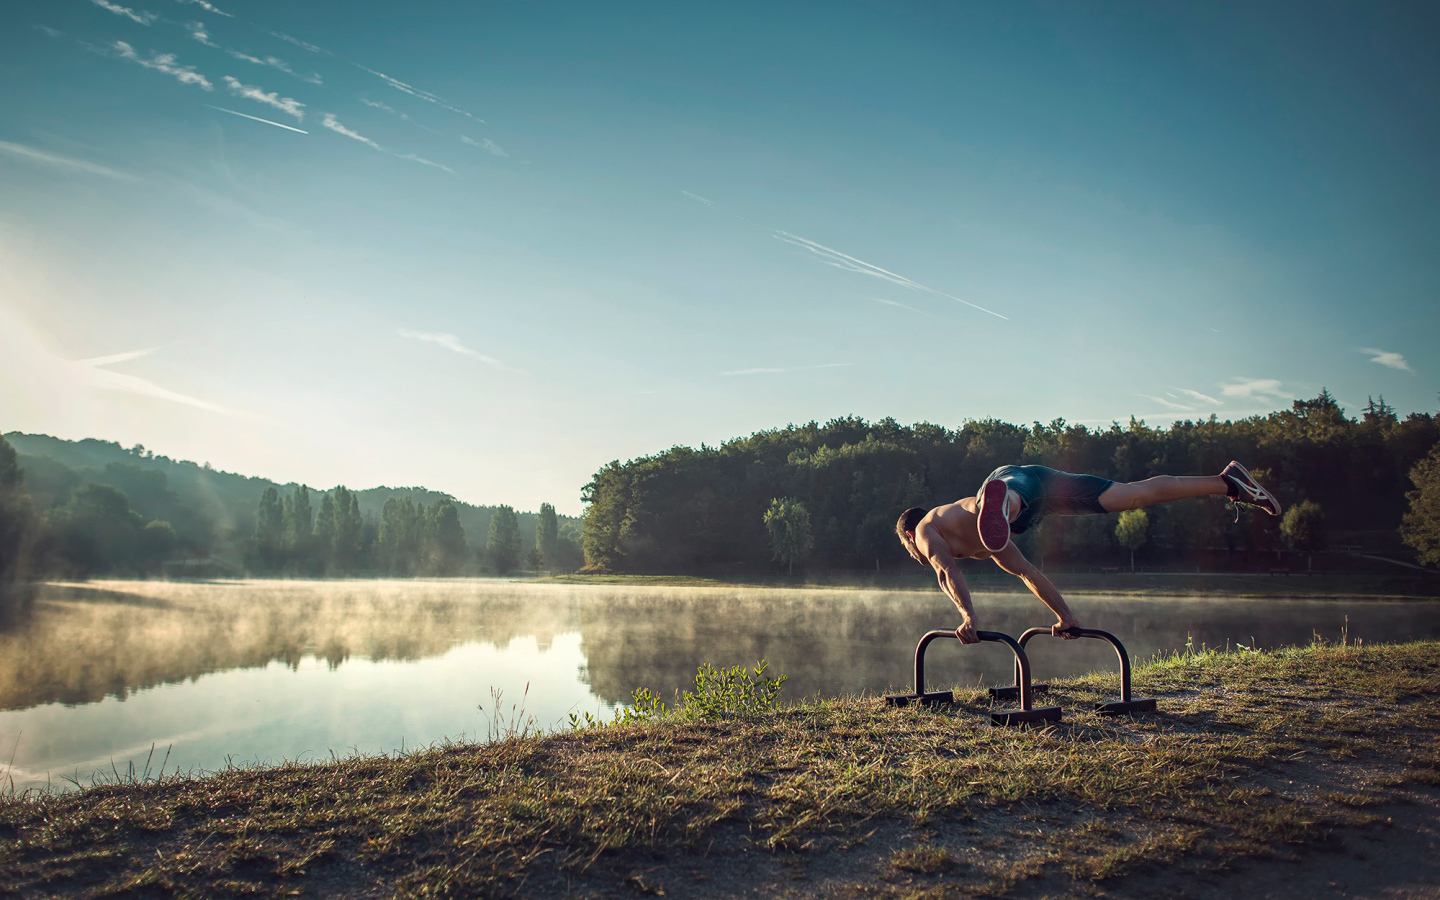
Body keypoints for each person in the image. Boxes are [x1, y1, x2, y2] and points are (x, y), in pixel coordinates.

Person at [895, 462, 1281, 643]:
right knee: (1133, 495)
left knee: (996, 502)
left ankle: (1003, 503)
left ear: (909, 536)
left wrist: (968, 617)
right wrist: (1065, 616)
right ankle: (1227, 483)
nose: (915, 553)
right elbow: (1029, 573)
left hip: (1009, 483)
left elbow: (946, 573)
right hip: (1044, 493)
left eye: (907, 547)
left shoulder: (927, 527)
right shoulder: (986, 543)